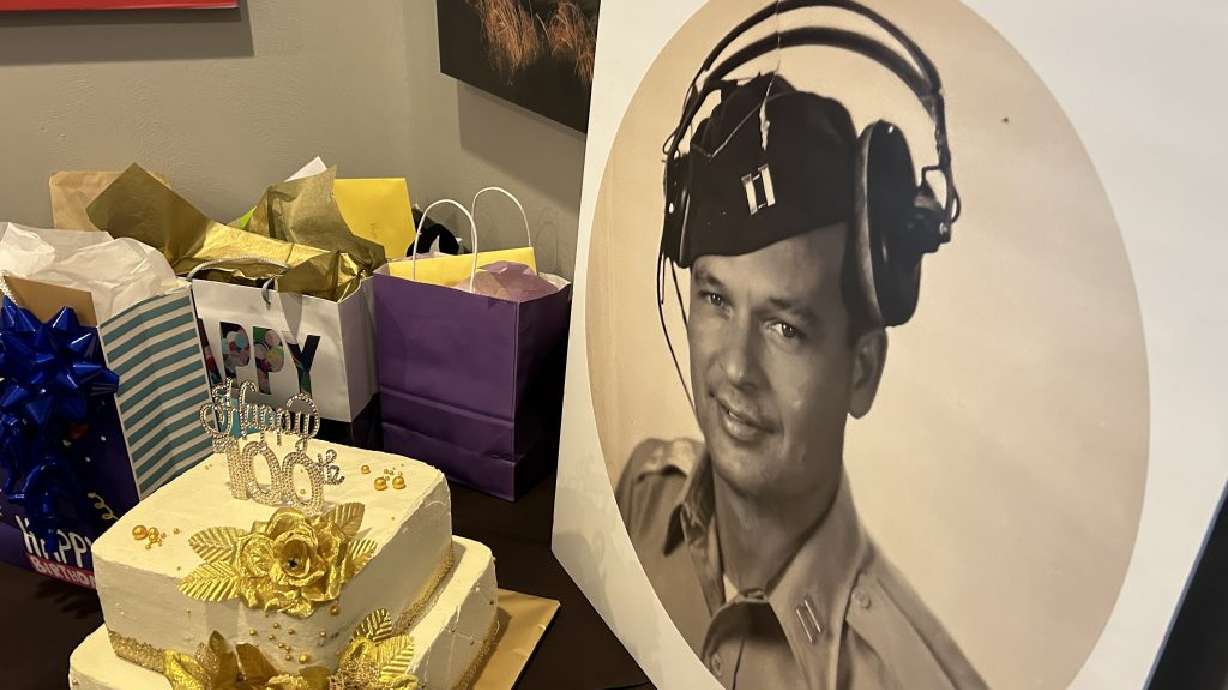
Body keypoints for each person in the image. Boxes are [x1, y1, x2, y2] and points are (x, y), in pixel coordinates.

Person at [615, 73, 986, 689]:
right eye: (714, 298)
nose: (735, 368)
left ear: (861, 371)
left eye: (785, 328)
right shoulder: (645, 496)